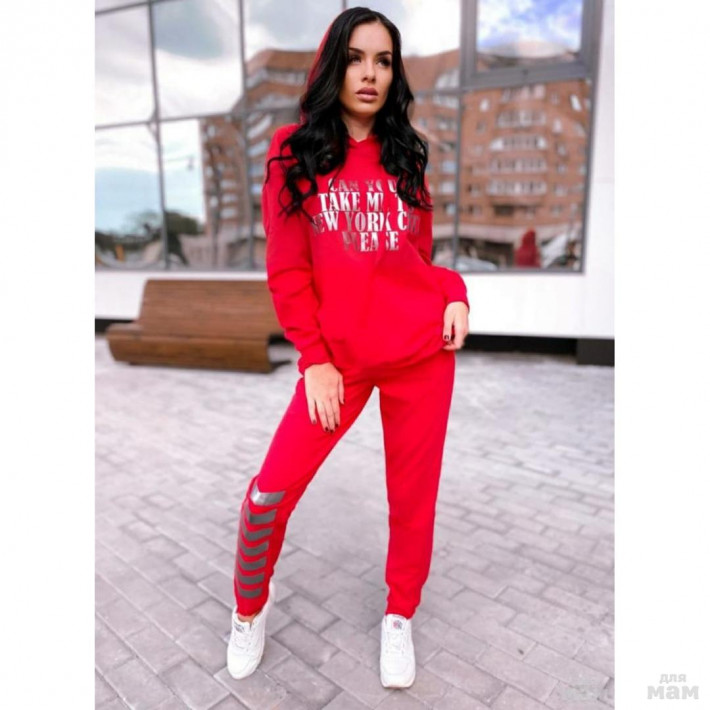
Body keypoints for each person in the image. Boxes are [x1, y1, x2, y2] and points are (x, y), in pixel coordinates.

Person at [226, 6, 470, 690]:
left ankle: (399, 615)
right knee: (268, 495)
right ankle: (249, 606)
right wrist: (316, 359)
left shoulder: (407, 154)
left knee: (412, 499)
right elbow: (287, 271)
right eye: (357, 58)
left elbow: (416, 261)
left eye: (383, 61)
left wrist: (454, 292)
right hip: (340, 363)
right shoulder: (292, 152)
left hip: (421, 354)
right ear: (333, 65)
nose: (370, 74)